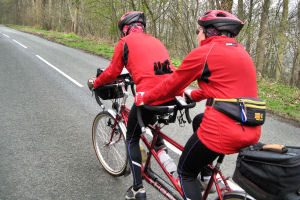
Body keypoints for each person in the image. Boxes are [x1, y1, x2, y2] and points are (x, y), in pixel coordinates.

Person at [135, 10, 261, 200]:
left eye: (198, 30)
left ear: (210, 32)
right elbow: (223, 87)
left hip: (223, 131)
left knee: (185, 172)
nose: (197, 34)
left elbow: (171, 85)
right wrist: (193, 95)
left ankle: (196, 177)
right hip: (251, 127)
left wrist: (145, 98)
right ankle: (207, 175)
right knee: (199, 120)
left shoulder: (205, 52)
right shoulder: (241, 52)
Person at [88, 11, 181, 200]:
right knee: (153, 130)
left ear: (125, 29)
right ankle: (172, 170)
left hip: (150, 98)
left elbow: (112, 72)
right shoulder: (156, 41)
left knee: (132, 137)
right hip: (170, 95)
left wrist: (96, 82)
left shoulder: (124, 43)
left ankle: (138, 189)